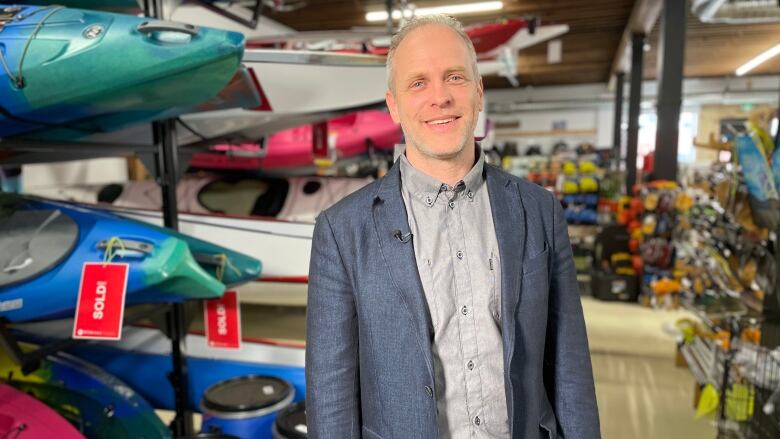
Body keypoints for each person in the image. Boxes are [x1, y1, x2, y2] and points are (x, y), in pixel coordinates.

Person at [306, 14, 600, 439]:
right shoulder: (341, 231)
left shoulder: (539, 211)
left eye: (455, 77)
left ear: (479, 93)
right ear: (393, 104)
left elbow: (570, 363)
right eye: (418, 83)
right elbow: (330, 394)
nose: (439, 97)